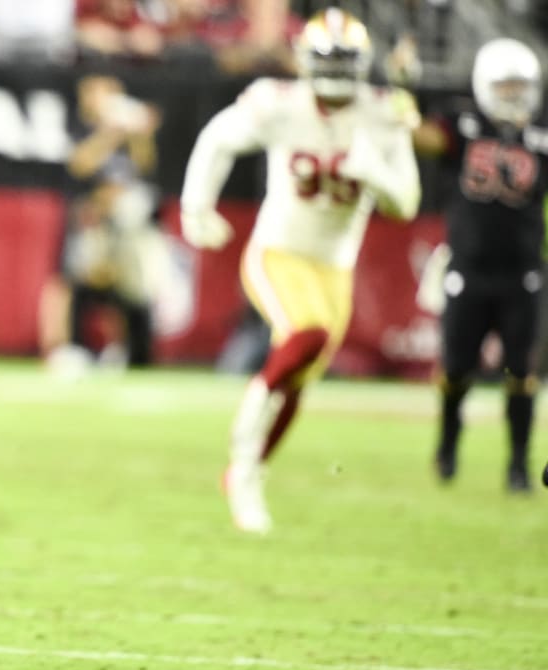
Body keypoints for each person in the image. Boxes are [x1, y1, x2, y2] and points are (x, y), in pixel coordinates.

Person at [180, 8, 421, 533]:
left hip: (335, 268)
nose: (335, 70)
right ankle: (243, 468)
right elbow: (218, 138)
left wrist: (374, 173)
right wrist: (196, 207)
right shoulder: (281, 103)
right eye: (327, 58)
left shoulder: (384, 111)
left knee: (297, 378)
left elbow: (406, 199)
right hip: (279, 252)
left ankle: (248, 469)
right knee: (305, 337)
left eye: (344, 59)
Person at [412, 38, 548, 493]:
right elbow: (420, 137)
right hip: (468, 269)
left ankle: (518, 466)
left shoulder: (541, 134)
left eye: (521, 87)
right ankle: (447, 448)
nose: (514, 96)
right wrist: (401, 89)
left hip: (523, 273)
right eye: (505, 87)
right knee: (455, 369)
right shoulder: (462, 123)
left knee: (521, 374)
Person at [40, 73, 163, 375]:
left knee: (122, 287)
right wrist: (110, 133)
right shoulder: (79, 126)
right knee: (71, 281)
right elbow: (79, 164)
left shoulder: (126, 133)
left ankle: (120, 349)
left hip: (121, 222)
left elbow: (144, 165)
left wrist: (139, 133)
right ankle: (63, 348)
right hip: (86, 217)